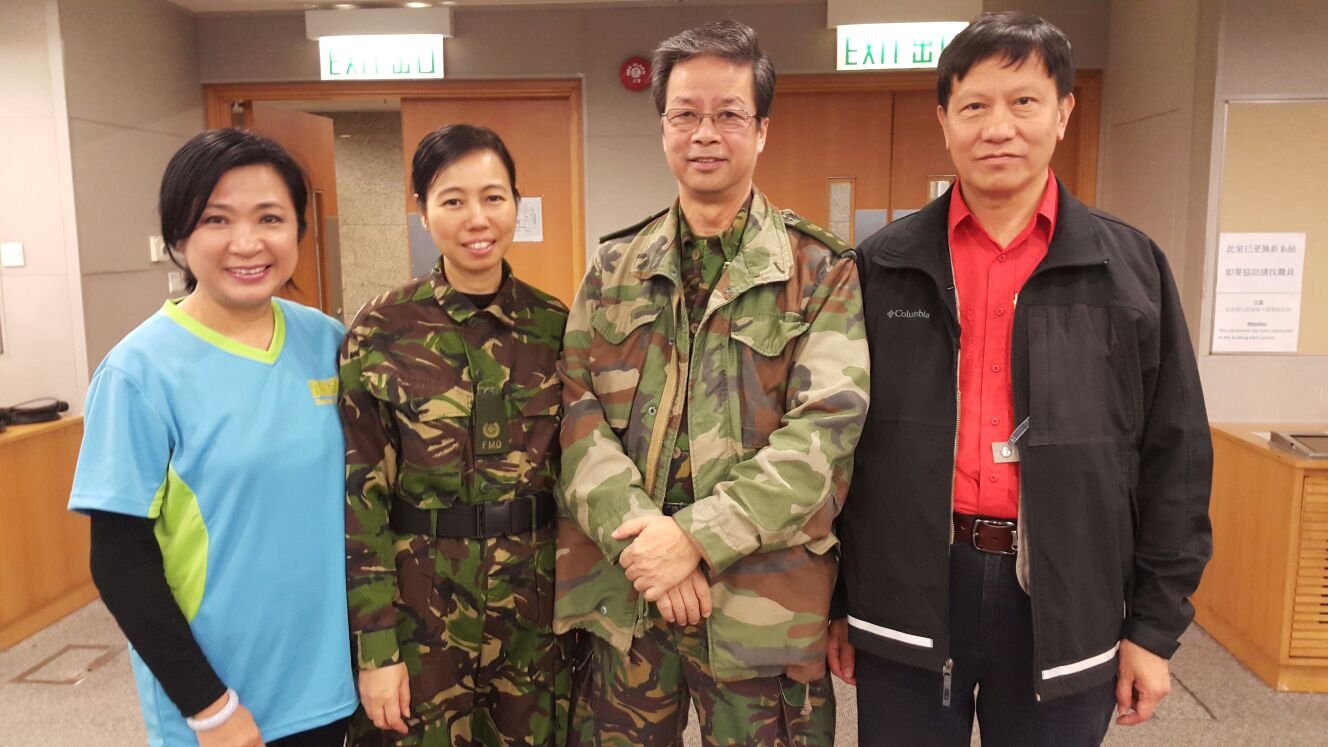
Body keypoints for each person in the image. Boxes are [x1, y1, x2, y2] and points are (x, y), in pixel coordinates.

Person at [830, 11, 1214, 746]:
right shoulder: (880, 266)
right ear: (944, 120)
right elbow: (840, 445)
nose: (998, 127)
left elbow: (1177, 457)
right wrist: (841, 599)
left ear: (1064, 113)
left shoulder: (1130, 270)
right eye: (974, 105)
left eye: (1024, 102)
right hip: (909, 589)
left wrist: (1154, 627)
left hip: (1066, 598)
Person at [555, 19, 870, 746]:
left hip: (761, 607)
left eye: (728, 114)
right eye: (685, 114)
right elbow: (574, 414)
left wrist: (694, 539)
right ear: (663, 127)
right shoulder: (613, 269)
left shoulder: (820, 270)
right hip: (629, 596)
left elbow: (826, 430)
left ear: (761, 130)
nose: (705, 133)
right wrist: (649, 547)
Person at [68, 129, 358, 746]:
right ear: (179, 235)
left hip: (336, 686)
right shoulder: (139, 372)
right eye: (216, 219)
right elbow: (119, 562)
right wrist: (210, 708)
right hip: (223, 704)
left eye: (270, 218)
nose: (247, 243)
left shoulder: (328, 342)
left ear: (300, 230)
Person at [341, 124, 568, 746]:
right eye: (452, 200)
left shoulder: (557, 326)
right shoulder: (381, 329)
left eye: (494, 197)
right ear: (423, 212)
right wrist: (376, 648)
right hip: (421, 610)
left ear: (516, 203)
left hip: (534, 611)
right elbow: (359, 497)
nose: (477, 218)